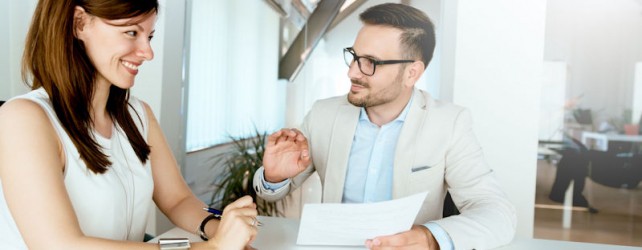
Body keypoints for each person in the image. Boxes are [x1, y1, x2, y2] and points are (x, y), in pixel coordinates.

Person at [253, 3, 516, 250]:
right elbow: (271, 194)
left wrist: (429, 237)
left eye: (371, 62)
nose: (353, 72)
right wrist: (274, 177)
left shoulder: (448, 123)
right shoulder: (323, 114)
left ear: (412, 73)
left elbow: (497, 212)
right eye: (354, 57)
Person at [0, 0, 257, 249]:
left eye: (150, 36)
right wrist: (211, 248)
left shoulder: (138, 114)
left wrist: (221, 230)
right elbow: (60, 245)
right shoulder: (23, 118)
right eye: (132, 32)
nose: (147, 52)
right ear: (79, 23)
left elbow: (178, 200)